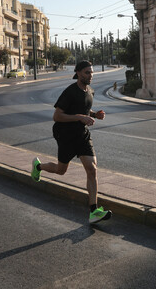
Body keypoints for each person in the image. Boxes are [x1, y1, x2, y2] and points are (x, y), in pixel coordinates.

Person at [31, 61, 112, 224]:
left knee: (92, 169)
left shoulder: (91, 91)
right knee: (61, 170)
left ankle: (94, 211)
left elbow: (83, 109)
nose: (90, 75)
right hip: (66, 135)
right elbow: (57, 116)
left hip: (82, 135)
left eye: (92, 72)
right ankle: (38, 167)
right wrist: (79, 117)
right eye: (87, 72)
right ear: (78, 73)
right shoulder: (69, 92)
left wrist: (95, 115)